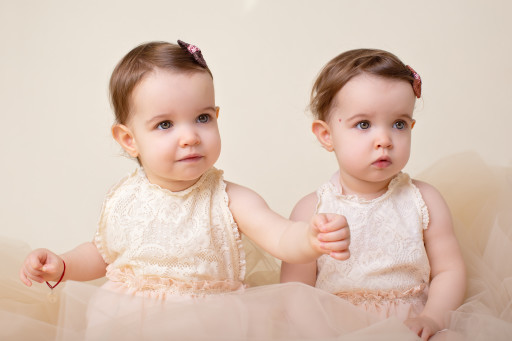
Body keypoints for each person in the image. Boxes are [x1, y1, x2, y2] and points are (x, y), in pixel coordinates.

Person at [19, 40, 350, 300]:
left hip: (210, 322)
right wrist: (63, 264)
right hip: (130, 322)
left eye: (202, 118)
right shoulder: (125, 198)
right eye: (165, 124)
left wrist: (309, 238)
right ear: (129, 139)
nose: (190, 136)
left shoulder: (230, 199)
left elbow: (279, 235)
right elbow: (102, 254)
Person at [280, 48, 467, 340]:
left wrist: (431, 317)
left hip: (412, 328)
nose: (385, 140)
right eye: (364, 125)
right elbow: (295, 291)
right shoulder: (311, 210)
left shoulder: (424, 200)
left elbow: (449, 271)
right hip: (337, 329)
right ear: (326, 135)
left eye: (399, 124)